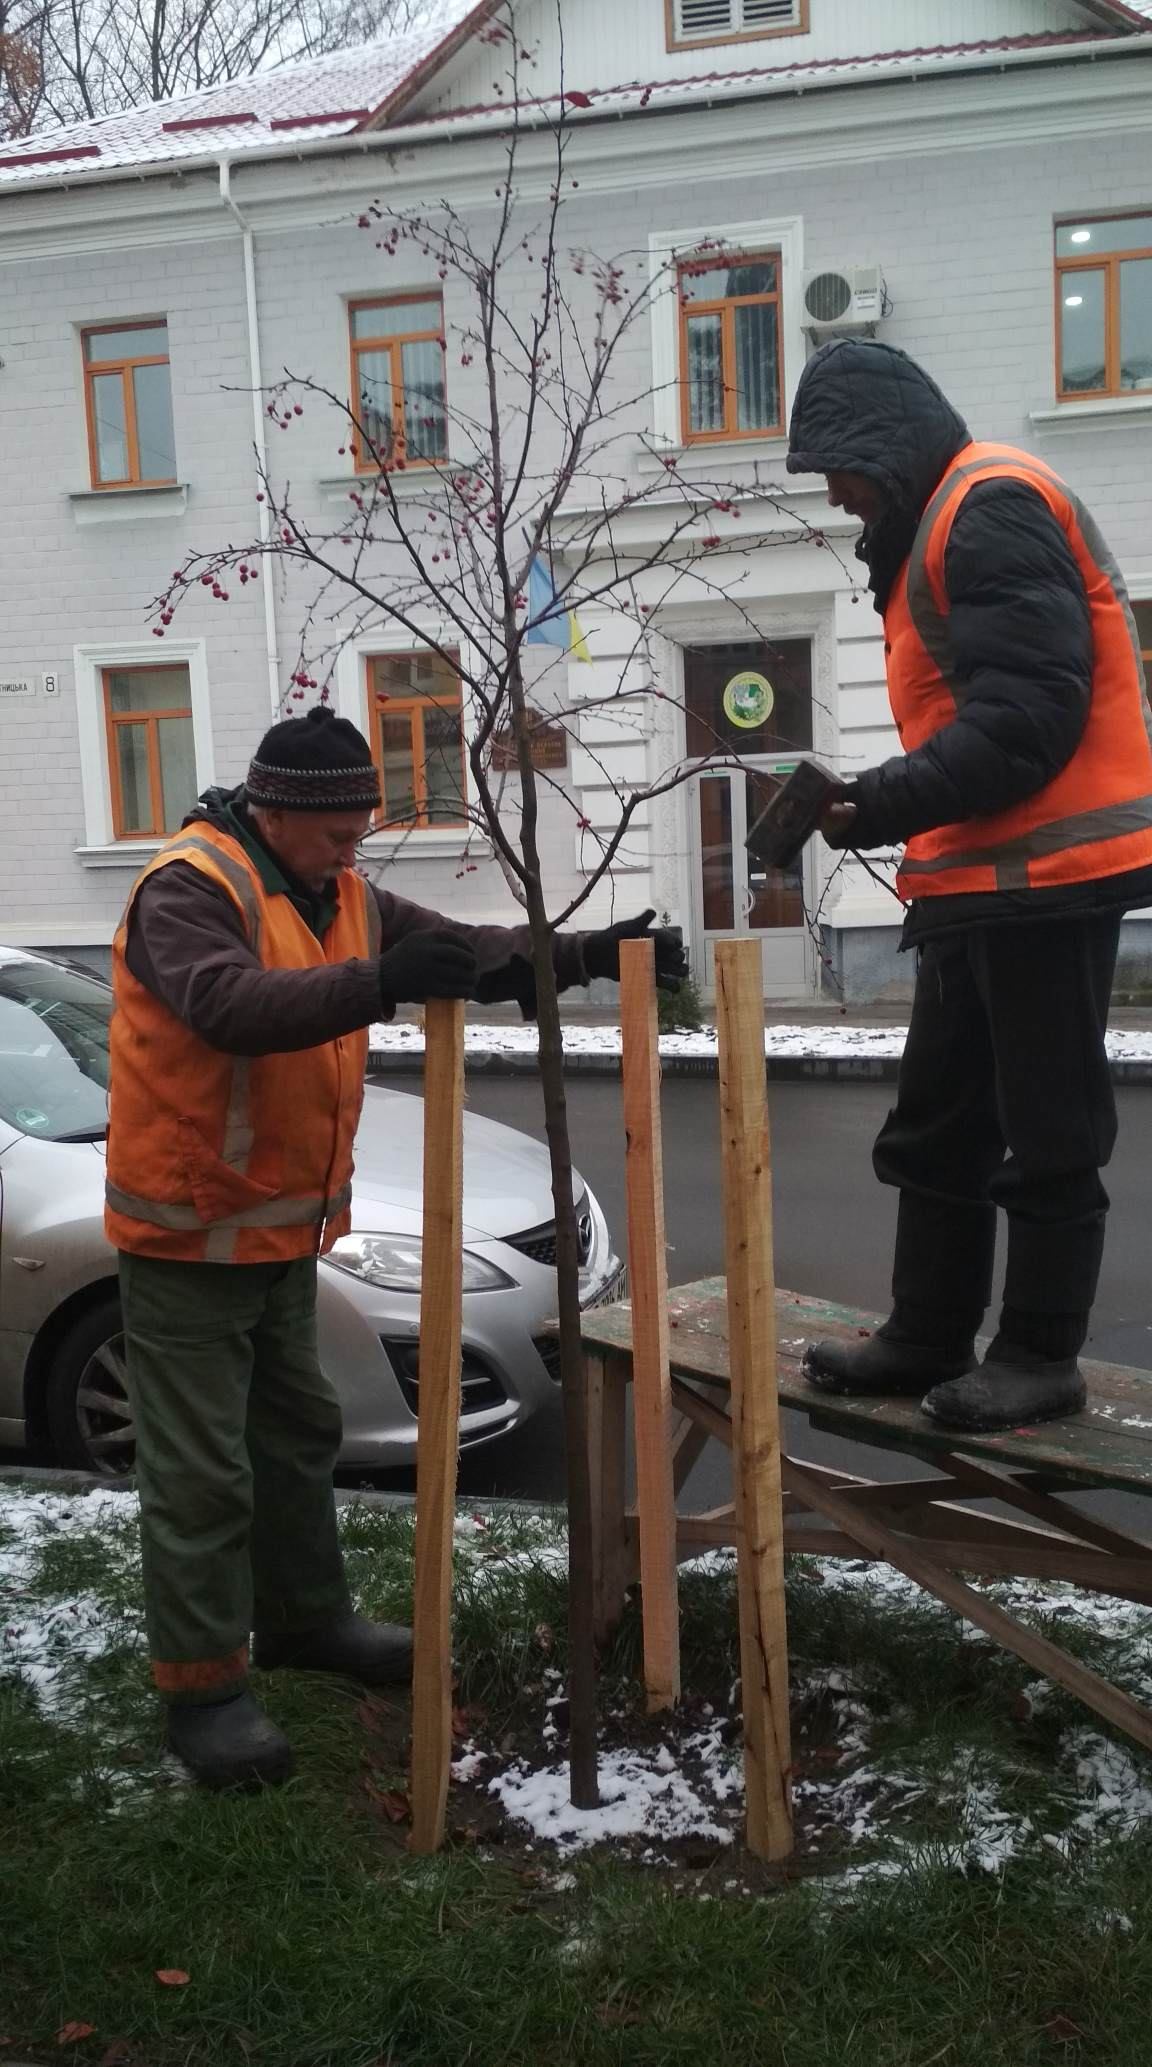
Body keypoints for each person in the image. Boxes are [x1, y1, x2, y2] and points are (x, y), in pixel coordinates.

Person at [108, 702, 686, 1788]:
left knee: (297, 1435)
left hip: (281, 1229)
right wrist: (381, 983)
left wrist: (585, 955)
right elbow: (227, 1005)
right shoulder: (189, 887)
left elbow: (458, 951)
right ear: (275, 812)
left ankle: (304, 1620)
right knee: (201, 1473)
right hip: (188, 1236)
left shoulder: (339, 893)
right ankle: (203, 1691)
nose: (353, 851)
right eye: (338, 833)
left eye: (360, 833)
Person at [785, 338, 1152, 1436]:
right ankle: (928, 1334)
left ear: (884, 449)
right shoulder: (938, 526)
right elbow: (982, 718)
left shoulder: (987, 506)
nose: (837, 498)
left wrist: (874, 803)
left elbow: (1028, 721)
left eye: (840, 473)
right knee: (940, 1125)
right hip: (977, 885)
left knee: (1049, 1127)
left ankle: (1040, 1356)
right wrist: (880, 810)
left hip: (1051, 880)